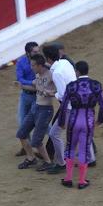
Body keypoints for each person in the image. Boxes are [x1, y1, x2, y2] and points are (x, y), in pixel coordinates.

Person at [42, 45, 97, 175]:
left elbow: (62, 94)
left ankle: (61, 163)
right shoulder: (65, 63)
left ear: (48, 58)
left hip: (70, 107)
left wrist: (50, 93)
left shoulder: (57, 73)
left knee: (54, 134)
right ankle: (91, 159)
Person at [59, 61, 103, 189]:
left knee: (70, 147)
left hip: (74, 120)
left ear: (77, 71)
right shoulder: (96, 85)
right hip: (88, 120)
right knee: (83, 149)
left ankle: (68, 179)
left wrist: (61, 122)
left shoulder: (71, 86)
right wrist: (100, 120)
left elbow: (63, 105)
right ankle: (81, 181)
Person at [16, 54, 56, 171]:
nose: (31, 67)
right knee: (21, 134)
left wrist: (49, 93)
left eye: (33, 65)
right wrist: (22, 86)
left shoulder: (52, 74)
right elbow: (36, 88)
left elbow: (59, 90)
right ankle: (31, 158)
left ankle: (48, 162)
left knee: (36, 140)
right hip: (36, 107)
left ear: (39, 65)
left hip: (45, 110)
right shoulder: (37, 74)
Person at [14, 42, 39, 157]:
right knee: (21, 122)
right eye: (35, 51)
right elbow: (20, 79)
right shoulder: (21, 62)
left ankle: (49, 148)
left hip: (37, 96)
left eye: (38, 51)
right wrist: (32, 83)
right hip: (25, 95)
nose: (37, 53)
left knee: (40, 123)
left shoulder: (40, 61)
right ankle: (26, 147)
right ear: (28, 53)